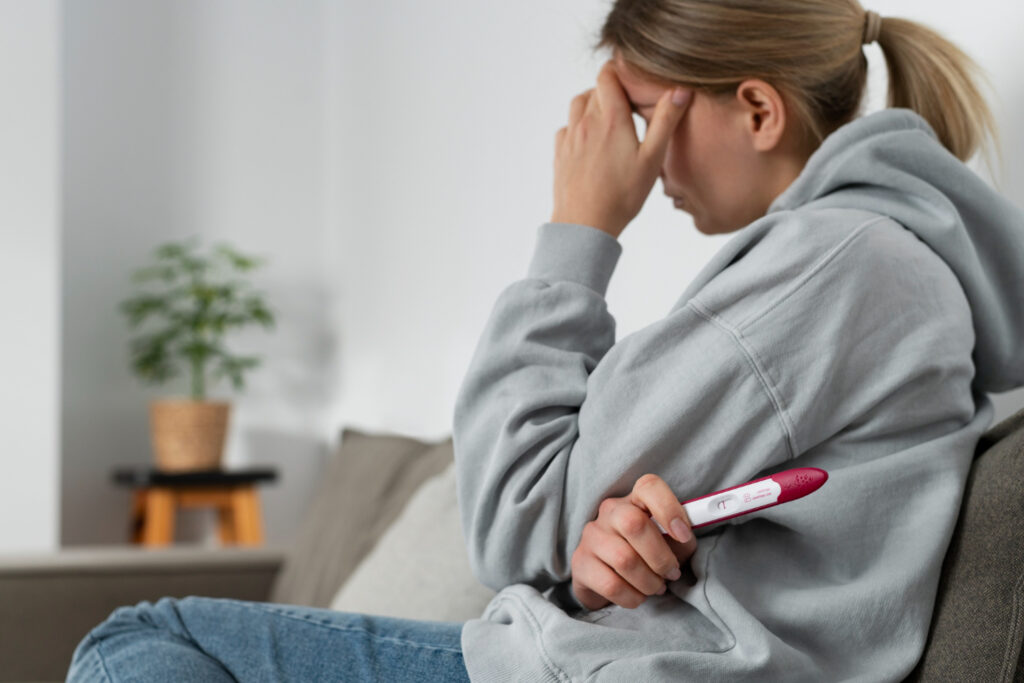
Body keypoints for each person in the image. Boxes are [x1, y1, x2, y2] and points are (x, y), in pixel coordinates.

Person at [66, 1, 1024, 681]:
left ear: (759, 111)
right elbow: (583, 530)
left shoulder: (833, 266)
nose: (635, 154)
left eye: (645, 115)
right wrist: (625, 544)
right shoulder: (867, 263)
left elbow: (515, 520)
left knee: (141, 642)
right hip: (628, 658)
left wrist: (581, 227)